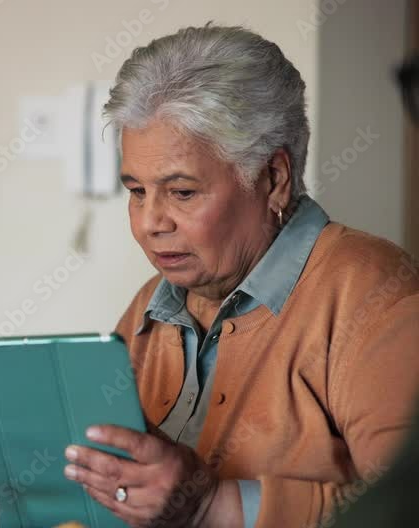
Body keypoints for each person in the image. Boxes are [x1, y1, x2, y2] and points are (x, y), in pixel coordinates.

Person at [62, 25, 419, 527]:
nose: (149, 224)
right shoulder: (156, 300)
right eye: (137, 192)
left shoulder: (376, 295)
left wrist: (212, 505)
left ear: (274, 179)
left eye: (182, 192)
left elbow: (404, 510)